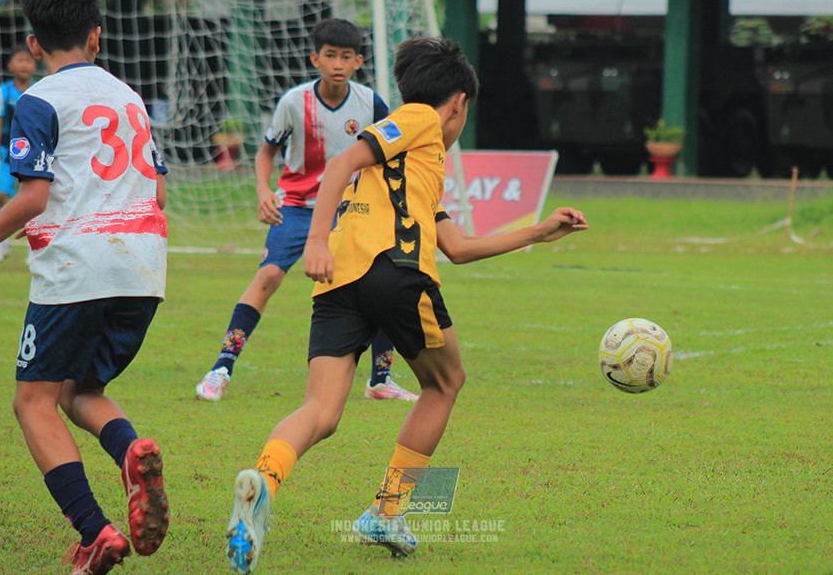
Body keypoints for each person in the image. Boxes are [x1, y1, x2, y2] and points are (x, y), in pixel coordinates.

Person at [224, 35, 588, 574]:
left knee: (321, 413)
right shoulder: (418, 120)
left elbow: (459, 248)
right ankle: (386, 511)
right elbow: (343, 160)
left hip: (341, 282)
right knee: (445, 383)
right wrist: (316, 240)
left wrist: (539, 231)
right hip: (392, 271)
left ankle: (263, 482)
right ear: (458, 103)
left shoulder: (418, 164)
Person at [0, 0, 171, 575]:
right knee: (79, 390)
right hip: (143, 264)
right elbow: (158, 190)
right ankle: (130, 448)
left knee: (31, 401)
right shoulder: (129, 96)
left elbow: (32, 197)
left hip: (77, 264)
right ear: (97, 38)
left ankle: (95, 532)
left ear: (34, 46)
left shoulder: (37, 100)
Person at [196, 18, 418, 403]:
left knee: (383, 283)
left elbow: (390, 152)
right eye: (330, 55)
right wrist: (263, 190)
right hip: (298, 207)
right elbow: (266, 152)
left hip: (351, 210)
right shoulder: (293, 103)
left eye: (345, 57)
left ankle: (380, 378)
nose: (337, 64)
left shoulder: (371, 103)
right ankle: (221, 368)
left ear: (358, 61)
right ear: (315, 58)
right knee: (267, 277)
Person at [0, 43, 37, 264]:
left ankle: (34, 248)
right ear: (10, 65)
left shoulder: (40, 89)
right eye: (20, 60)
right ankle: (2, 246)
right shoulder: (1, 92)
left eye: (28, 60)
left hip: (33, 150)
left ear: (34, 64)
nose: (24, 64)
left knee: (34, 198)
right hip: (5, 149)